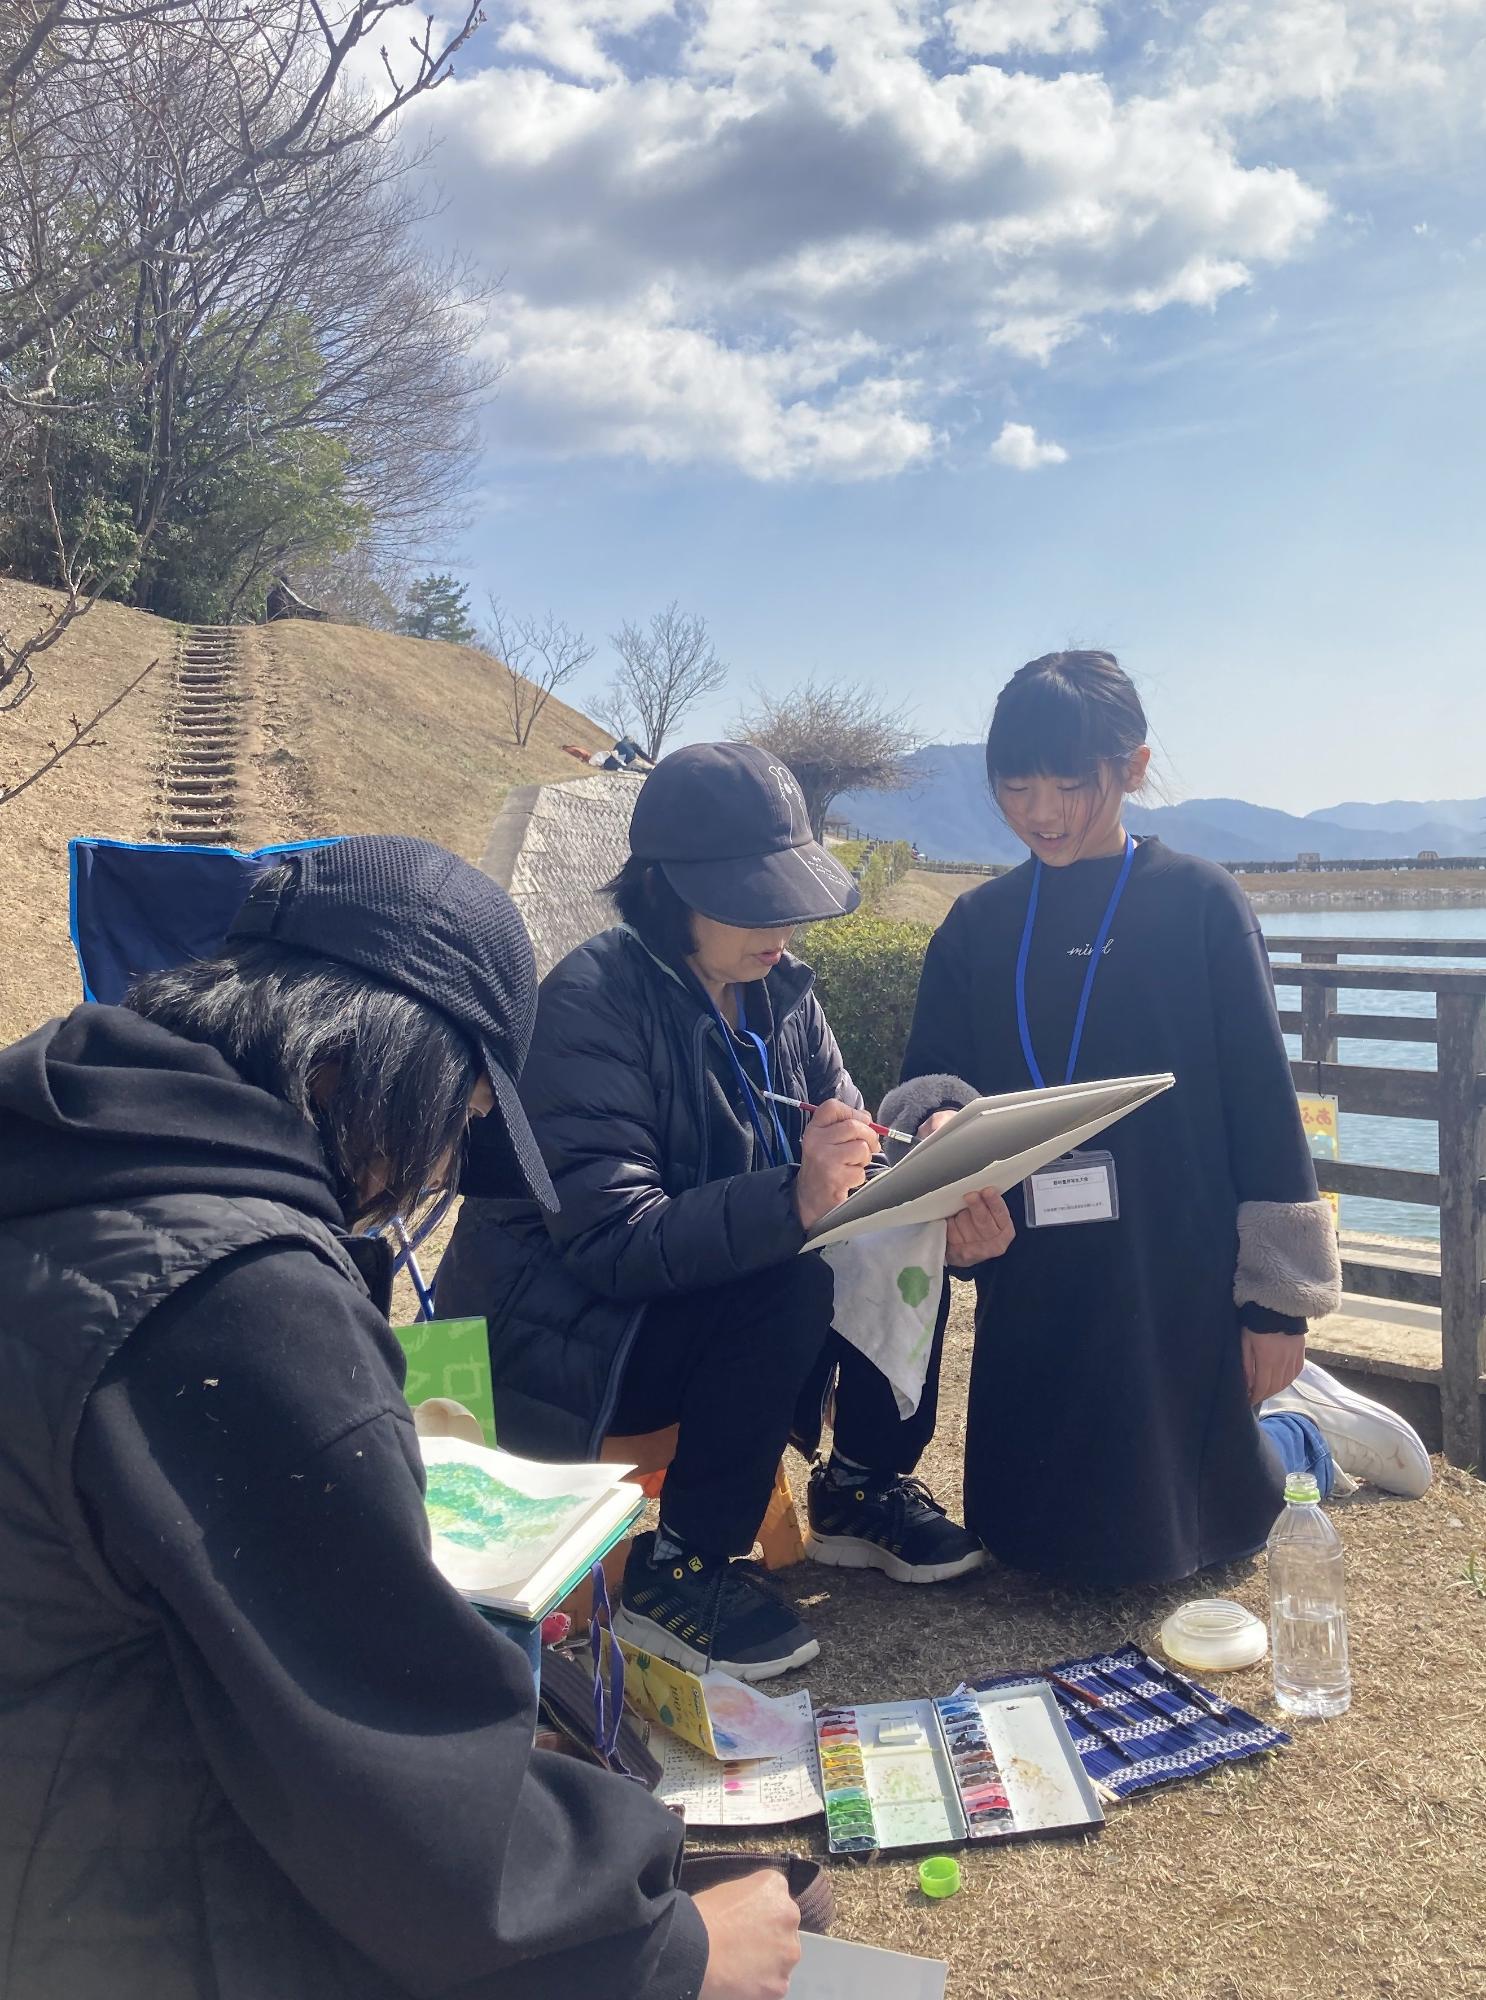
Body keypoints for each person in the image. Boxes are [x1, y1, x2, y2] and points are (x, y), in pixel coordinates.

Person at [0, 834, 802, 2000]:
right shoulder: (239, 1294)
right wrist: (670, 1947)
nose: (430, 1167)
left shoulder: (77, 1151)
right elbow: (401, 1797)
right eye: (457, 1114)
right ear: (362, 1061)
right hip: (112, 1894)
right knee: (779, 1904)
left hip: (52, 1767)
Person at [438, 745, 1013, 1681]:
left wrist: (928, 1180)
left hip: (693, 1296)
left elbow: (850, 1144)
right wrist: (793, 1195)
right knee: (787, 1282)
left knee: (896, 1221)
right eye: (753, 902)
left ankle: (861, 1483)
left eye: (787, 898)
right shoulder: (589, 1002)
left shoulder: (780, 993)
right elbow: (608, 1240)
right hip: (569, 1333)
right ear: (667, 891)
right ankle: (683, 1568)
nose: (780, 926)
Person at [890, 652, 1431, 1589]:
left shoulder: (1201, 904)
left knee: (1182, 1536)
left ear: (1133, 768)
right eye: (1016, 786)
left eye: (1071, 784)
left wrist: (1276, 1303)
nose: (1043, 812)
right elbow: (932, 1079)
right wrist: (938, 1152)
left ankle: (1302, 1434)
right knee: (1032, 1540)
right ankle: (1275, 1434)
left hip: (1177, 1257)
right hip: (1033, 1257)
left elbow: (1264, 1099)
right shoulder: (977, 923)